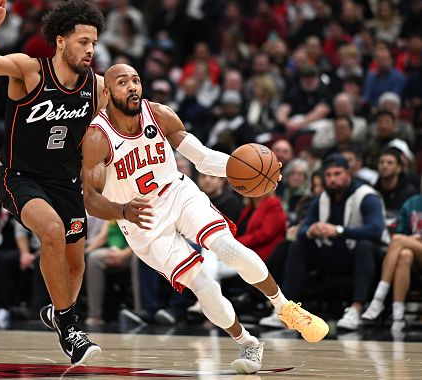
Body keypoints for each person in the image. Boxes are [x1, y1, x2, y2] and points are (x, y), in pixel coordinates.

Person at [81, 64, 328, 374]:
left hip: (177, 193)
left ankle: (284, 307)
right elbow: (89, 199)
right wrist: (121, 211)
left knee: (226, 247)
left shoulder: (158, 114)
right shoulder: (97, 138)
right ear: (106, 92)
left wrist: (248, 170)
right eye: (122, 82)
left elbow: (202, 158)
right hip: (141, 220)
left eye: (136, 80)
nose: (132, 87)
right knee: (205, 287)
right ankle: (249, 343)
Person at [0, 0, 106, 365]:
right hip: (21, 178)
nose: (90, 49)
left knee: (76, 265)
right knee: (52, 230)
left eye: (94, 42)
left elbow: (121, 128)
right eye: (83, 41)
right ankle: (69, 325)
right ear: (60, 41)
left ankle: (58, 312)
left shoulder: (97, 87)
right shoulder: (28, 70)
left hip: (67, 183)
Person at [263, 153, 388, 331]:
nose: (332, 179)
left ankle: (356, 310)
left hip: (366, 257)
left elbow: (376, 230)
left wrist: (338, 231)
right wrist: (312, 231)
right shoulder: (321, 198)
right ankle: (287, 312)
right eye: (328, 175)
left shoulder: (367, 196)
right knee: (298, 245)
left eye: (337, 174)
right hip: (335, 254)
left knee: (365, 246)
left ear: (348, 174)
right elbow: (303, 229)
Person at [361, 193, 422, 333]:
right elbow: (401, 231)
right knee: (404, 256)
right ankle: (398, 318)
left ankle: (378, 299)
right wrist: (412, 239)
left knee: (397, 240)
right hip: (415, 253)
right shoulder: (412, 203)